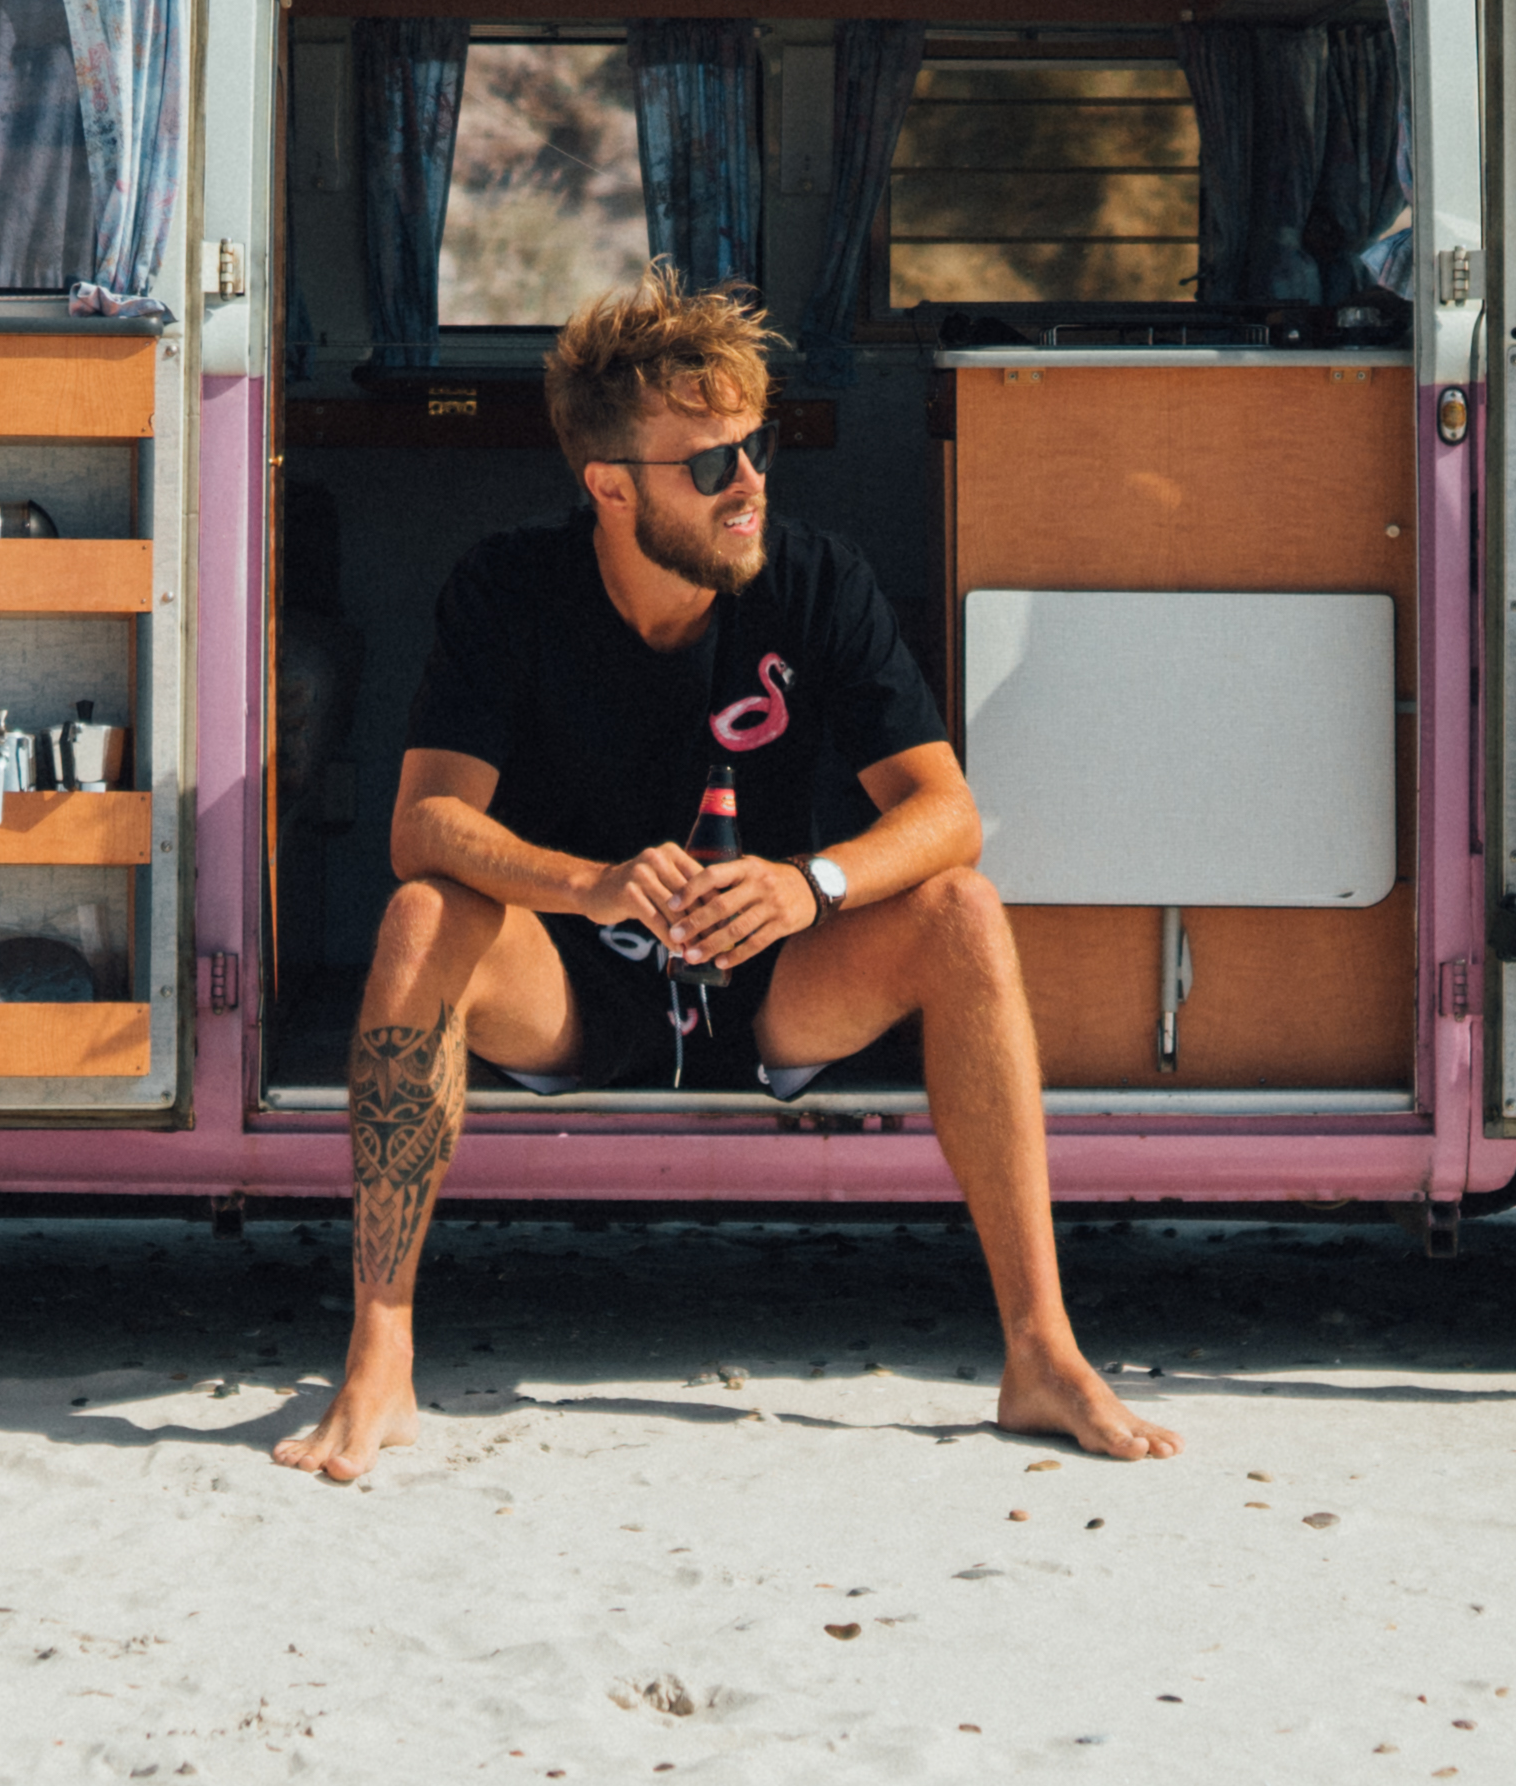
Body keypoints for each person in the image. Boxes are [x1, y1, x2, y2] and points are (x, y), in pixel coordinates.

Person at [271, 279, 1176, 1484]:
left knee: (963, 909)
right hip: (576, 985)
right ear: (608, 484)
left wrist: (814, 885)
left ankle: (1042, 1350)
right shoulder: (508, 588)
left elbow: (948, 814)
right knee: (422, 914)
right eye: (710, 464)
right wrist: (588, 883)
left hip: (773, 976)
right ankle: (381, 1346)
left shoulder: (814, 580)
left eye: (761, 444)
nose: (750, 480)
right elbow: (424, 825)